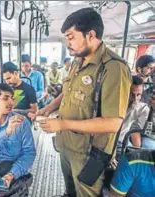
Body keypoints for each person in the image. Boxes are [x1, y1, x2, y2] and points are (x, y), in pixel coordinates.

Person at [35, 8, 132, 197]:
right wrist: (48, 108)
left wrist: (61, 123)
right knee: (70, 190)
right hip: (66, 144)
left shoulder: (113, 68)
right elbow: (69, 93)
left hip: (88, 153)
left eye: (71, 37)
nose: (67, 43)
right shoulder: (77, 61)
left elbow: (113, 123)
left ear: (91, 35)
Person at [115, 76, 149, 158]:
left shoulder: (141, 108)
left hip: (121, 142)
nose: (135, 99)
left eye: (138, 95)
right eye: (132, 94)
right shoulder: (113, 103)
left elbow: (146, 130)